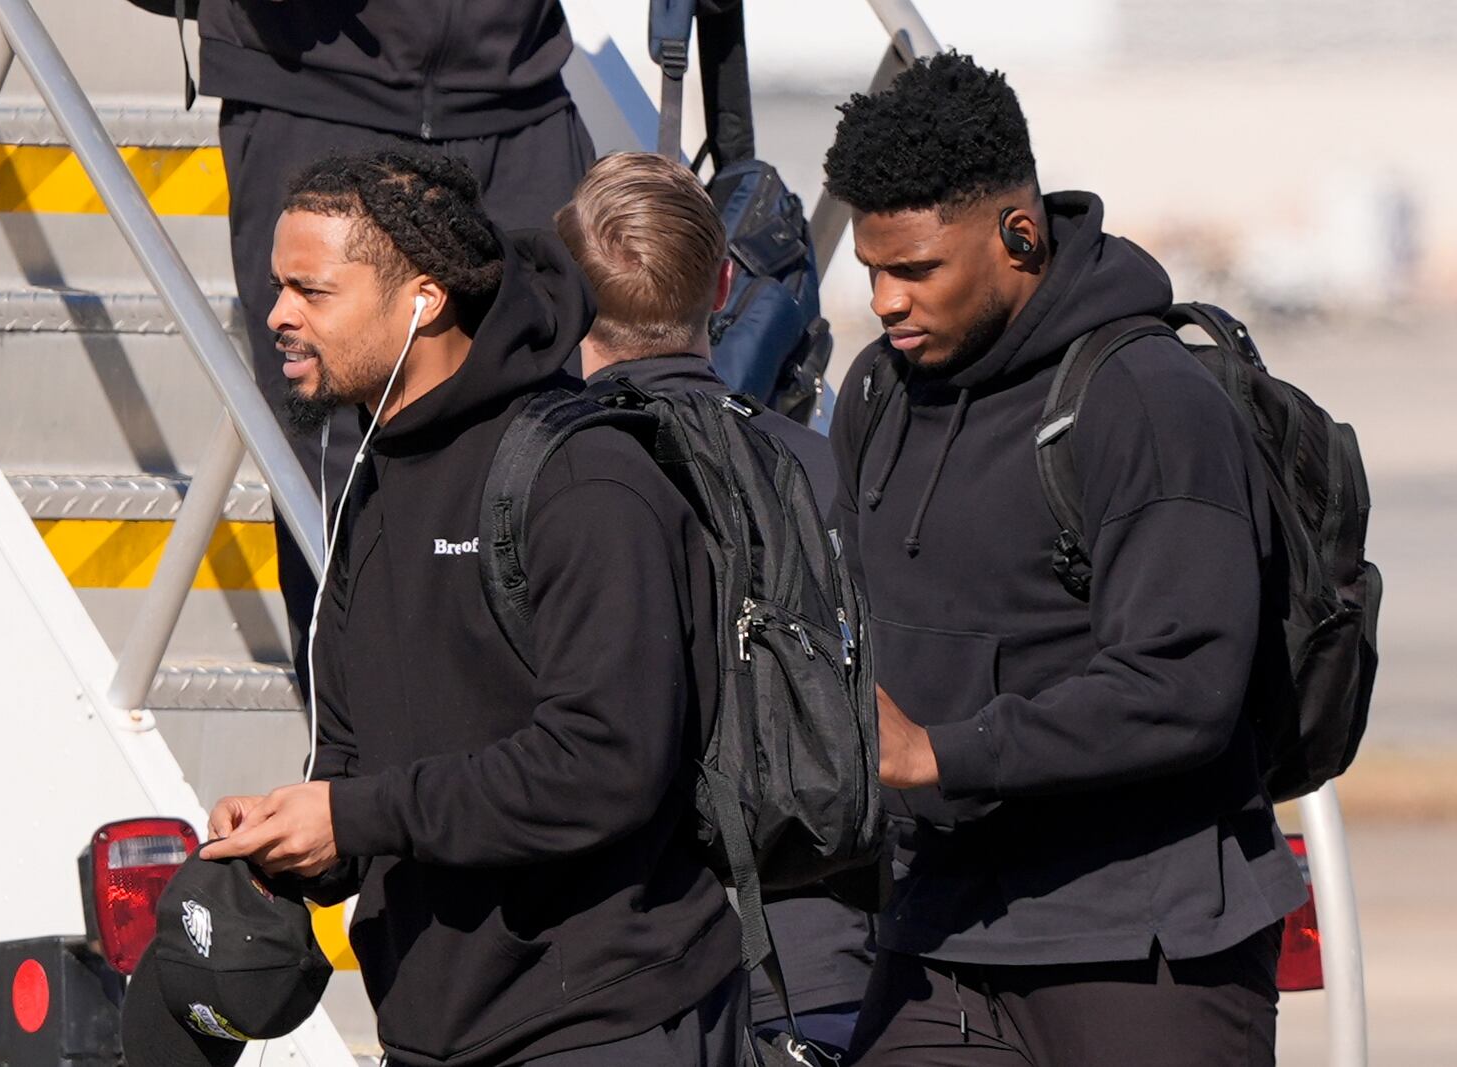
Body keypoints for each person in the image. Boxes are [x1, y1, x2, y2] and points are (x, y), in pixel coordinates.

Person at [198, 149, 743, 1067]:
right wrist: (305, 833)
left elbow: (603, 762)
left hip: (604, 1021)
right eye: (277, 286)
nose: (279, 315)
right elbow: (365, 761)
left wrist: (356, 815)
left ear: (423, 298)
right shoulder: (373, 477)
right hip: (433, 1030)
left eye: (312, 290)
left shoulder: (579, 475)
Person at [821, 53, 1307, 1065]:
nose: (885, 301)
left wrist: (936, 754)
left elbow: (1180, 685)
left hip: (1144, 940)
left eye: (915, 270)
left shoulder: (1145, 398)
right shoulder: (876, 393)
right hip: (940, 931)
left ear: (1019, 234)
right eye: (870, 270)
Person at [555, 151, 870, 1055]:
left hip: (612, 981)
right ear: (726, 280)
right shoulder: (826, 471)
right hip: (816, 968)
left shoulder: (535, 481)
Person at [197, 0, 597, 660]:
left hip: (519, 91)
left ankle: (512, 748)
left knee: (550, 457)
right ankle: (352, 755)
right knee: (334, 485)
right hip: (308, 80)